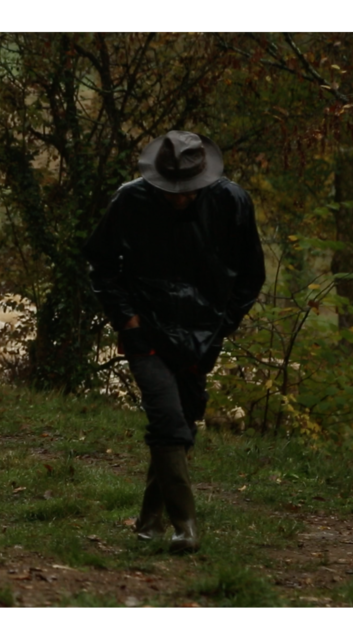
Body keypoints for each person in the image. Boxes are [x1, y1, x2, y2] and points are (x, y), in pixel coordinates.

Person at [84, 131, 265, 553]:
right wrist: (127, 321)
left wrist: (225, 323)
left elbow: (251, 273)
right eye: (172, 190)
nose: (180, 198)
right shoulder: (131, 200)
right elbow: (102, 264)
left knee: (183, 421)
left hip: (204, 333)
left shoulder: (232, 201)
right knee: (166, 417)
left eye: (189, 191)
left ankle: (150, 523)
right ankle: (187, 527)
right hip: (145, 327)